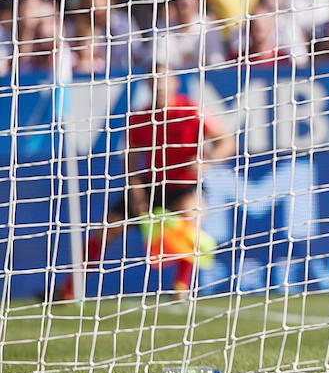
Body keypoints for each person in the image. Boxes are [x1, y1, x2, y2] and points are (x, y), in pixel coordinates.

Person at [55, 68, 236, 300]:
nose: (160, 86)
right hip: (151, 185)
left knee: (192, 215)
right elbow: (129, 161)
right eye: (155, 81)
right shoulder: (140, 118)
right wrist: (137, 193)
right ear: (149, 86)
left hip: (184, 184)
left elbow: (226, 141)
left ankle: (181, 285)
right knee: (107, 229)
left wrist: (206, 161)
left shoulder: (193, 111)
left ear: (175, 82)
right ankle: (69, 290)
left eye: (164, 80)